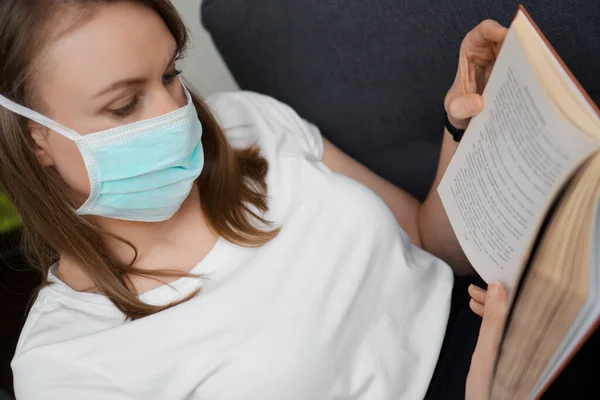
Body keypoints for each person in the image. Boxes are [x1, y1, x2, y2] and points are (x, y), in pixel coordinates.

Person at [0, 0, 508, 399]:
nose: (177, 115)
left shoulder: (249, 120)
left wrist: (460, 124)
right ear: (35, 138)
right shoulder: (64, 366)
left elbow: (433, 243)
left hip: (505, 328)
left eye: (170, 73)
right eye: (125, 105)